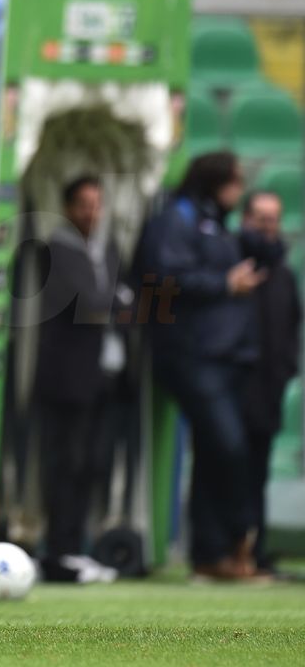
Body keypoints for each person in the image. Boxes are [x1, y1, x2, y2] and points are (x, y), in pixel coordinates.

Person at [145, 151, 266, 580]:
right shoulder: (178, 219)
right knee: (227, 447)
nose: (240, 190)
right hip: (191, 354)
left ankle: (211, 555)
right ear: (217, 181)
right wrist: (224, 284)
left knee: (216, 453)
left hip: (223, 355)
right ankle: (235, 539)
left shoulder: (215, 221)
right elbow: (161, 279)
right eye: (235, 181)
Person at [32, 175, 124, 584]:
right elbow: (91, 303)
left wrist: (117, 302)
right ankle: (58, 551)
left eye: (97, 203)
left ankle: (74, 548)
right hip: (64, 375)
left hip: (98, 375)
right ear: (69, 207)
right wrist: (115, 302)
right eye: (84, 203)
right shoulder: (56, 247)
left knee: (89, 464)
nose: (92, 212)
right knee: (64, 464)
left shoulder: (107, 249)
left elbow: (128, 298)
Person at [239, 191, 301, 573]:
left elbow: (293, 325)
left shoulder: (284, 273)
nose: (268, 225)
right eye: (261, 217)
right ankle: (225, 550)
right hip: (235, 387)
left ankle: (256, 552)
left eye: (273, 218)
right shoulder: (234, 264)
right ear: (246, 219)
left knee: (258, 472)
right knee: (230, 467)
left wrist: (285, 370)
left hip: (269, 389)